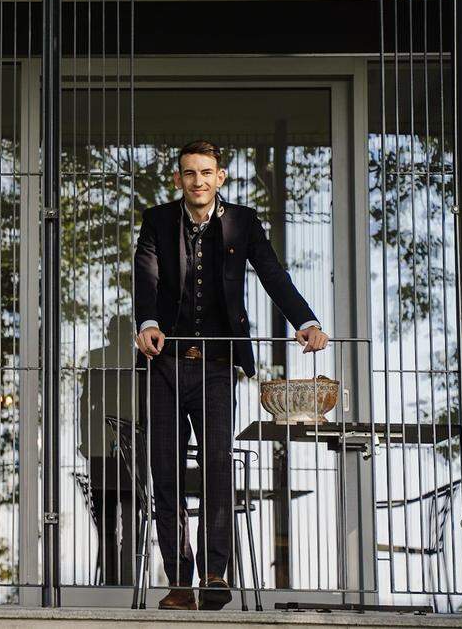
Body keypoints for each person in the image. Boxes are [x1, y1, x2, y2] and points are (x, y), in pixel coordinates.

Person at [133, 140, 329, 611]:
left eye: (206, 172)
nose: (197, 180)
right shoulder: (158, 221)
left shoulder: (243, 222)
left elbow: (272, 273)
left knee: (218, 465)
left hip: (218, 365)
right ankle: (179, 581)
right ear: (177, 179)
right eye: (188, 173)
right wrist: (147, 322)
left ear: (220, 177)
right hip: (164, 363)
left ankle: (215, 575)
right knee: (167, 472)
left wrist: (305, 321)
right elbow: (146, 276)